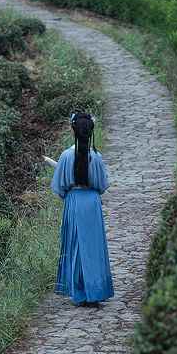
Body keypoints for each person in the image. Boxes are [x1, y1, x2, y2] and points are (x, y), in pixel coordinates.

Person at [49, 108, 114, 306]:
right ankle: (96, 290)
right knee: (93, 247)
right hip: (92, 203)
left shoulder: (66, 156)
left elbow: (59, 187)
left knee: (76, 245)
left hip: (74, 201)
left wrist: (69, 195)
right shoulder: (96, 156)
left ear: (73, 130)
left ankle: (79, 291)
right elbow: (102, 185)